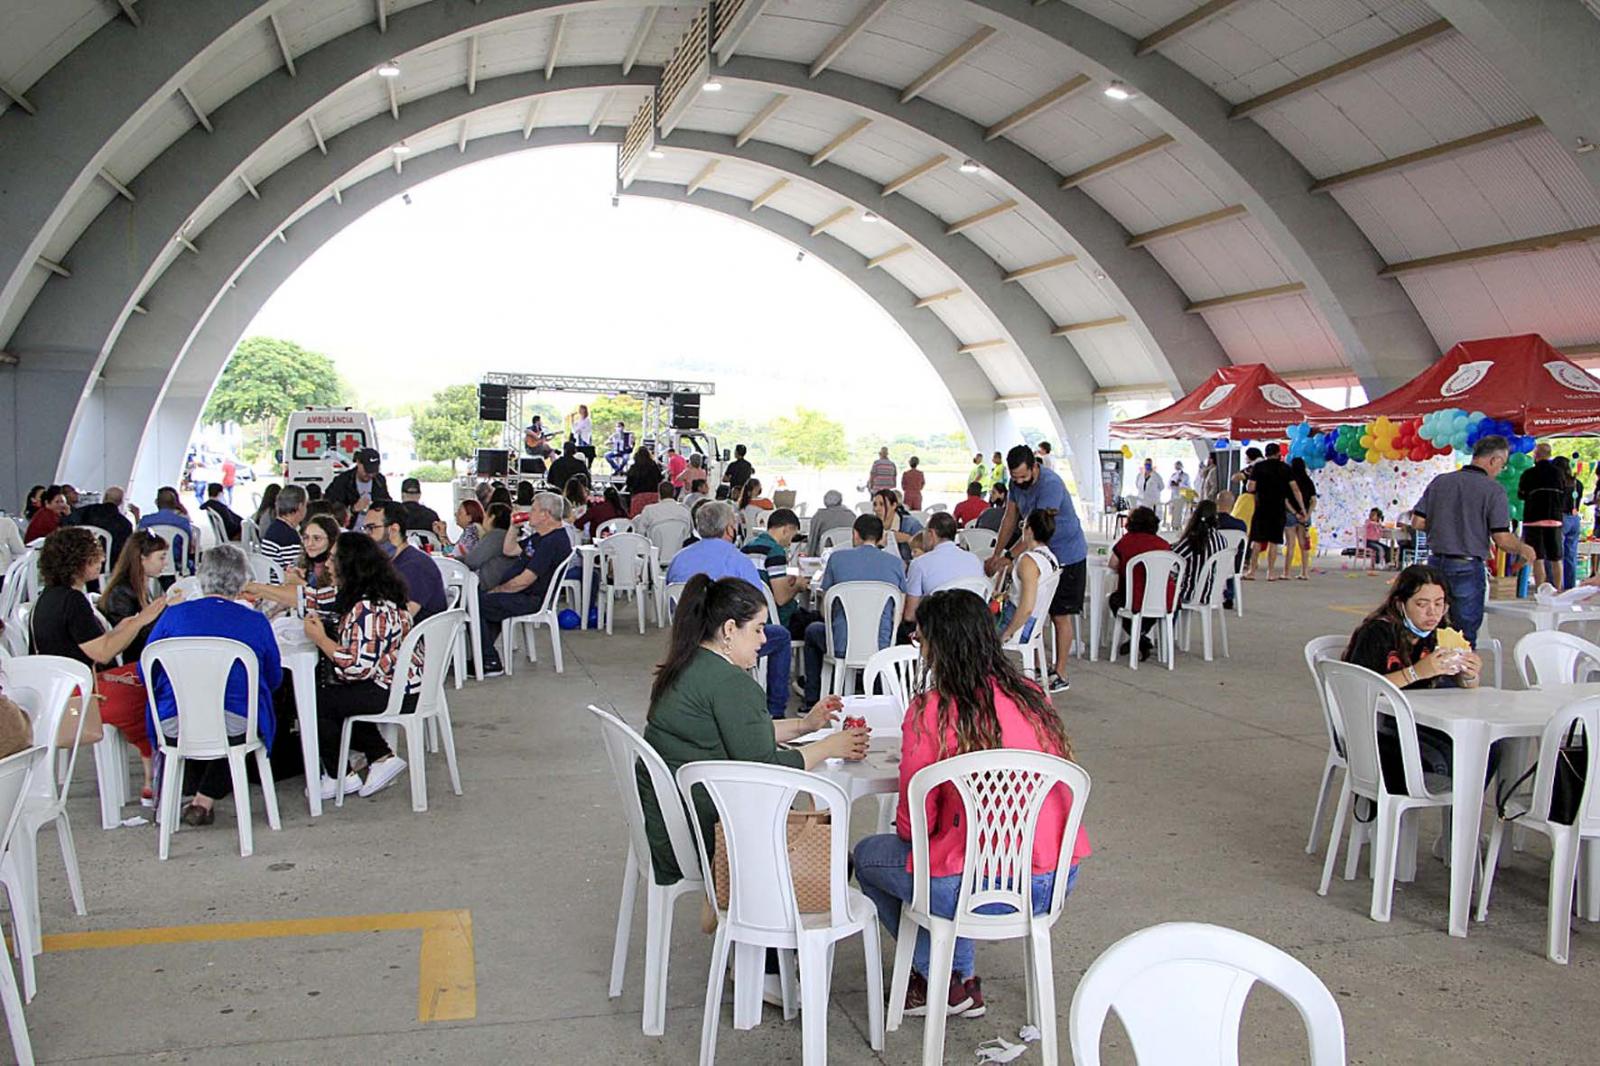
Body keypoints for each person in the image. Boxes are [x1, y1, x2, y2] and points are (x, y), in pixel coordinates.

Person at [853, 589, 1089, 1017]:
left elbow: (912, 828)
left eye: (920, 640)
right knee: (954, 854)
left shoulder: (931, 711)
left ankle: (941, 978)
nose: (919, 650)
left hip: (968, 886)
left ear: (938, 646)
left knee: (872, 857)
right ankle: (953, 979)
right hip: (1050, 878)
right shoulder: (1033, 696)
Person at [638, 574, 866, 893]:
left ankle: (743, 919)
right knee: (840, 860)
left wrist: (804, 726)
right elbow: (766, 766)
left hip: (673, 823)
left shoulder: (687, 665)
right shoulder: (732, 683)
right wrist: (829, 746)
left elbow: (738, 733)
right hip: (712, 833)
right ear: (729, 630)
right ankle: (770, 934)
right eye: (758, 629)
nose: (763, 640)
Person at [31, 527, 176, 803]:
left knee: (142, 676)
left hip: (58, 690)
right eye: (95, 557)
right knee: (150, 689)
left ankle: (151, 770)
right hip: (79, 698)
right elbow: (103, 652)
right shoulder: (73, 601)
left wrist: (128, 625)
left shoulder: (48, 598)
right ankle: (152, 775)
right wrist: (141, 620)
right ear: (80, 562)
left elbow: (89, 644)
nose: (100, 562)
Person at [141, 545, 280, 827]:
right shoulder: (255, 621)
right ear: (242, 580)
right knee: (242, 720)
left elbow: (147, 672)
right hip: (235, 722)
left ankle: (190, 795)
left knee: (196, 713)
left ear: (201, 578)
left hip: (173, 721)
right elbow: (274, 677)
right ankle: (204, 798)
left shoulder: (173, 615)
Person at [301, 532, 421, 800]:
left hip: (391, 690)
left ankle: (338, 775)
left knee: (315, 699)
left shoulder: (367, 607)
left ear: (349, 564)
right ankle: (379, 756)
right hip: (399, 682)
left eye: (333, 559)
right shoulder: (382, 593)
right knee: (333, 695)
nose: (328, 564)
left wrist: (320, 639)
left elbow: (357, 668)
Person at [1342, 565, 1482, 789]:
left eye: (1439, 604)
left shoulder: (1441, 632)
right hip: (1377, 728)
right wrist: (1417, 672)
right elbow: (1361, 689)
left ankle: (1461, 817)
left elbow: (1463, 684)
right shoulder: (1377, 632)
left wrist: (1469, 675)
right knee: (1447, 758)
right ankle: (1408, 808)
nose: (1432, 613)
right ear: (1400, 604)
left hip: (1422, 720)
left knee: (1488, 748)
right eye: (1421, 604)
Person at [667, 501, 791, 718]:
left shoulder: (679, 558)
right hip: (725, 641)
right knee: (780, 636)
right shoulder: (737, 560)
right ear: (729, 529)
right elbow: (756, 606)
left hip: (687, 638)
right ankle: (775, 711)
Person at [1412, 435, 1534, 646]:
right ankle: (1457, 678)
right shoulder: (1493, 490)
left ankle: (1432, 676)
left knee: (1432, 630)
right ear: (1494, 460)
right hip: (1467, 567)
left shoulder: (1440, 482)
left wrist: (1445, 525)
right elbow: (1502, 538)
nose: (1500, 471)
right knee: (1463, 636)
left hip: (1434, 565)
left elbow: (1417, 522)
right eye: (1502, 465)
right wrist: (1524, 548)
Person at [983, 445, 1087, 693]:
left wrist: (1009, 556)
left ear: (1034, 467)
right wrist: (997, 553)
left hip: (1067, 553)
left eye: (1023, 476)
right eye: (1014, 477)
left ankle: (1060, 672)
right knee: (1039, 611)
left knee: (1059, 615)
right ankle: (1038, 666)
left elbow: (1037, 528)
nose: (1018, 481)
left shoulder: (1050, 485)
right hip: (1040, 552)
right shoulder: (1015, 484)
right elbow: (1010, 517)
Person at [801, 514, 907, 706]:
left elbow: (826, 610)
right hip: (882, 643)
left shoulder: (837, 559)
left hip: (842, 642)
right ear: (882, 537)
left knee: (812, 631)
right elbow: (898, 612)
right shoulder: (896, 563)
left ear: (855, 535)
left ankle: (811, 699)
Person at [475, 492, 574, 676]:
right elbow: (509, 549)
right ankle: (482, 657)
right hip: (523, 595)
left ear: (545, 514)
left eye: (534, 509)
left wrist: (498, 590)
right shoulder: (541, 536)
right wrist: (513, 527)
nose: (530, 513)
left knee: (476, 604)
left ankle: (489, 660)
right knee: (483, 603)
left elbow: (525, 580)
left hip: (531, 598)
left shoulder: (552, 542)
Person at [1106, 506, 1172, 661]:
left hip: (1132, 599)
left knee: (1114, 600)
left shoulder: (1126, 541)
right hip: (1161, 600)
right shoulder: (1164, 545)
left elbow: (1112, 564)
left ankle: (1139, 638)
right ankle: (1141, 637)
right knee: (1151, 611)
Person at [365, 501, 446, 620]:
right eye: (365, 528)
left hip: (416, 636)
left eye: (371, 528)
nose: (367, 535)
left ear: (394, 529)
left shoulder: (415, 566)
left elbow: (402, 619)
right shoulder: (390, 562)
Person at [100, 531, 172, 664]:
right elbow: (133, 639)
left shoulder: (140, 585)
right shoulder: (121, 593)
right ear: (142, 558)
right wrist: (166, 609)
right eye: (161, 558)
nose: (166, 563)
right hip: (136, 660)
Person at [904, 513, 985, 628]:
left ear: (931, 534)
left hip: (937, 631)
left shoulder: (919, 563)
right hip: (971, 629)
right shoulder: (975, 560)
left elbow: (910, 615)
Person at [1242, 443, 1304, 582]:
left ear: (1265, 454)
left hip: (1261, 508)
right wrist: (1302, 508)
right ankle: (1270, 573)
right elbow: (1295, 489)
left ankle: (1252, 571)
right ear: (1279, 454)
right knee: (1273, 542)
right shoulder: (1285, 468)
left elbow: (1250, 487)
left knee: (1257, 540)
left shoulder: (1258, 467)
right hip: (1278, 509)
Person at [997, 511, 1059, 646]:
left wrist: (1007, 633)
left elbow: (1026, 608)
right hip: (1035, 624)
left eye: (1022, 525)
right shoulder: (1051, 558)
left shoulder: (1028, 561)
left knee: (969, 631)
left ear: (1029, 530)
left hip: (1019, 625)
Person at [741, 508, 808, 630]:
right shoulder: (775, 551)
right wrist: (798, 586)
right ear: (785, 530)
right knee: (816, 624)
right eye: (792, 537)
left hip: (750, 615)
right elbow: (781, 598)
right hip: (774, 618)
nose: (790, 543)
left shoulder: (746, 548)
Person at [1517, 442, 1565, 590]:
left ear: (1536, 455)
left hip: (1534, 520)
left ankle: (1541, 590)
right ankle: (1557, 589)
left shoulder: (1529, 473)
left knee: (1538, 558)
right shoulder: (1559, 473)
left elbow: (1521, 495)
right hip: (1555, 519)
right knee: (1556, 558)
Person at [1172, 500, 1229, 605]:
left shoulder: (1194, 539)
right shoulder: (1222, 539)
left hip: (1191, 592)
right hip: (1212, 591)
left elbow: (1172, 559)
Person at [63, 485, 137, 562]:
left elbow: (68, 525)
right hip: (106, 565)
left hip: (79, 559)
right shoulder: (126, 525)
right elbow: (124, 551)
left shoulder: (87, 511)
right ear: (120, 502)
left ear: (105, 497)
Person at [136, 486, 197, 574]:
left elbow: (139, 542)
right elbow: (188, 546)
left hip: (150, 562)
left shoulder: (145, 521)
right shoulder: (183, 522)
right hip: (177, 562)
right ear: (174, 504)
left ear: (157, 503)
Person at [324, 447, 390, 524]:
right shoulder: (343, 481)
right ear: (358, 463)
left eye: (373, 471)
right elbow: (330, 506)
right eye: (367, 470)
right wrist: (353, 509)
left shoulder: (380, 480)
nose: (370, 474)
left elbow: (386, 500)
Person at [258, 484, 307, 576]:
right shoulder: (289, 537)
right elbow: (296, 572)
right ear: (300, 507)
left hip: (270, 580)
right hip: (282, 584)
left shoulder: (274, 527)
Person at [1282, 456, 1317, 581]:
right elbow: (1313, 500)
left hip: (1291, 514)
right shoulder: (1309, 481)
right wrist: (1307, 514)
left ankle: (1286, 572)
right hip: (1305, 515)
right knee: (1304, 545)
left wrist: (1295, 513)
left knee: (1290, 544)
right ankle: (1305, 572)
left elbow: (1285, 500)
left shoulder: (1289, 481)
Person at [874, 488, 923, 564]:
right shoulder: (871, 526)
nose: (876, 509)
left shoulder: (911, 524)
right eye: (875, 504)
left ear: (894, 505)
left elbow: (926, 553)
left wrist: (909, 539)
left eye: (882, 504)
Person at [296, 513, 342, 589]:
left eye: (317, 538)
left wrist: (299, 582)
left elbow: (326, 598)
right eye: (306, 537)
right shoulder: (302, 562)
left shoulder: (338, 568)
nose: (309, 544)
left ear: (331, 540)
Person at [1558, 456, 1583, 590]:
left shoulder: (1559, 483)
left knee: (1557, 555)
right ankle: (1570, 585)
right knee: (1571, 555)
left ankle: (1557, 584)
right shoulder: (1577, 483)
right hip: (1575, 519)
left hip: (1561, 518)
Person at [625, 447, 664, 516]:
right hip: (653, 495)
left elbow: (628, 482)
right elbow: (660, 479)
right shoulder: (654, 466)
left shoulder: (634, 468)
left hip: (638, 496)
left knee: (636, 519)